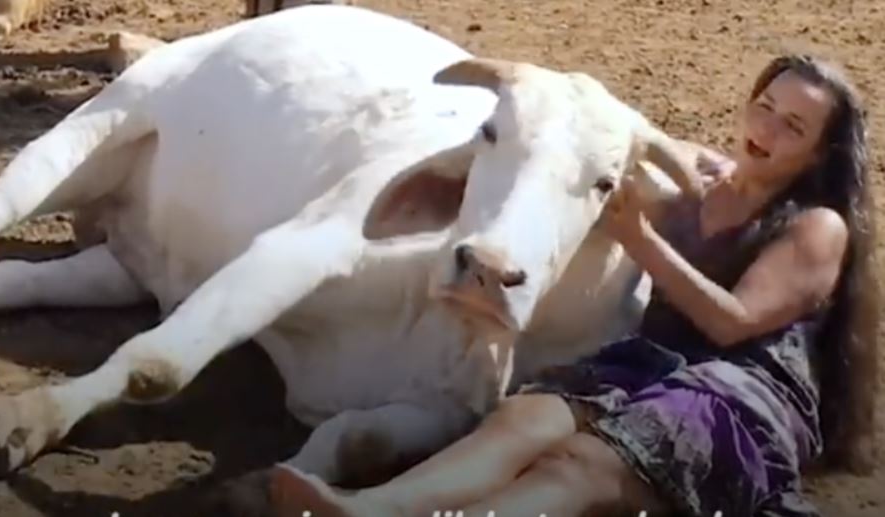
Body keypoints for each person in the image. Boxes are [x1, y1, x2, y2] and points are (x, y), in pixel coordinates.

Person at [266, 54, 878, 517]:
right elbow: (601, 153)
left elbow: (732, 323)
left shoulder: (817, 227)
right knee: (521, 422)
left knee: (579, 461)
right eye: (765, 106)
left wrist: (641, 239)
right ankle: (370, 508)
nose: (766, 130)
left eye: (793, 127)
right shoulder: (701, 176)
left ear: (819, 155)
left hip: (735, 391)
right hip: (648, 364)